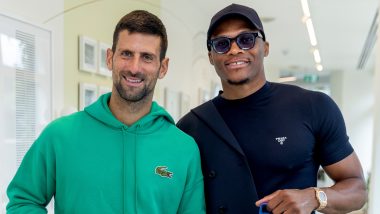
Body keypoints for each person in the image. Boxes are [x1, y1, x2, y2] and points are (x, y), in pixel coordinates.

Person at [7, 10, 205, 214]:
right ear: (110, 58)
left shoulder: (184, 149)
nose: (134, 68)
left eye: (147, 57)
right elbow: (23, 202)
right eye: (126, 54)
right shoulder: (59, 136)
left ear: (162, 68)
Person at [177, 3, 367, 214]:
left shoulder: (312, 106)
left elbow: (357, 189)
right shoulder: (191, 127)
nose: (235, 49)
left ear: (265, 47)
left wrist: (315, 197)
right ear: (211, 57)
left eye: (246, 39)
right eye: (222, 44)